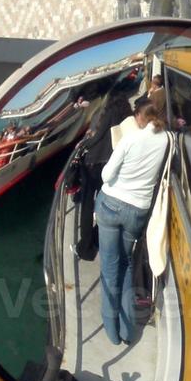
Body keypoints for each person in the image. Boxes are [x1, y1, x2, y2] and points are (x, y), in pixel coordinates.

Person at [95, 103, 170, 345]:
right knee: (126, 265)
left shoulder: (131, 139)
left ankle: (112, 331)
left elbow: (106, 176)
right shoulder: (168, 140)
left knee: (109, 268)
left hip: (111, 205)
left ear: (140, 117)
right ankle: (128, 331)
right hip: (138, 211)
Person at [75, 88, 133, 261]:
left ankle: (86, 248)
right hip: (111, 163)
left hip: (94, 162)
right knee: (104, 203)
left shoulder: (109, 112)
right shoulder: (126, 116)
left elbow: (98, 136)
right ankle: (96, 238)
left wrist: (83, 145)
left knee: (87, 204)